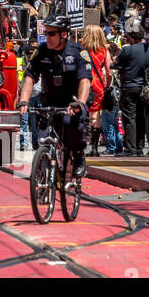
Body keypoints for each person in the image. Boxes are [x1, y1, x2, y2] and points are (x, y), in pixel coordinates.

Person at [17, 16, 91, 178]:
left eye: (51, 34)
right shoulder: (42, 51)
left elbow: (85, 80)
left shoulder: (78, 52)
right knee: (43, 138)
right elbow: (29, 77)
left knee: (73, 130)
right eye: (45, 33)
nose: (47, 37)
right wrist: (24, 100)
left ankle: (78, 157)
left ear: (63, 34)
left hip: (71, 103)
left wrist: (79, 103)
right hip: (48, 102)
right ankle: (43, 178)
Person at [113, 21, 149, 156]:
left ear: (131, 37)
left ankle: (130, 149)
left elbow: (115, 64)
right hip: (143, 87)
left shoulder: (126, 49)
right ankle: (138, 148)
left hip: (129, 87)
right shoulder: (148, 48)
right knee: (140, 117)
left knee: (129, 117)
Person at [78, 24, 110, 152]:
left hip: (84, 83)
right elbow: (108, 71)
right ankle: (95, 148)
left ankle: (82, 144)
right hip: (98, 85)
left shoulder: (81, 49)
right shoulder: (104, 51)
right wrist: (107, 85)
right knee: (95, 115)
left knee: (81, 112)